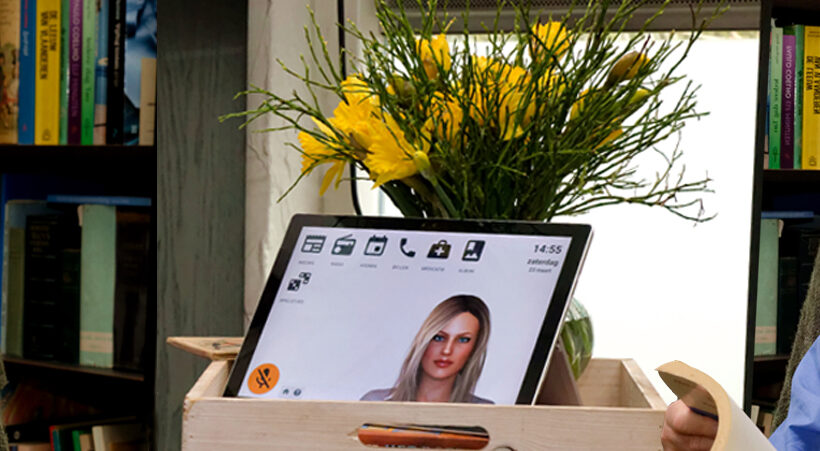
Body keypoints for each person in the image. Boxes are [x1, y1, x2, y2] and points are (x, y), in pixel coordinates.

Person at [361, 294, 494, 404]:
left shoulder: (484, 413)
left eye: (463, 340)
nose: (447, 350)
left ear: (474, 348)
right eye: (438, 337)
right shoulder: (375, 403)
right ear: (424, 340)